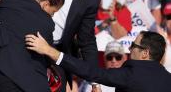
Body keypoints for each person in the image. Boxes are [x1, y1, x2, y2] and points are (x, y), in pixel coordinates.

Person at [25, 31, 171, 92]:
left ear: (145, 53)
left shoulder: (133, 74)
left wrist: (50, 51)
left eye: (134, 46)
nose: (130, 49)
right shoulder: (167, 79)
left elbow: (92, 72)